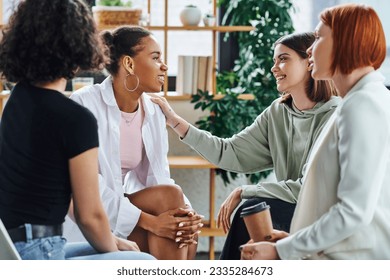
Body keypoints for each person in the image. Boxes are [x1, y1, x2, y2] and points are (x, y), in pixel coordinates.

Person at [151, 32, 340, 259]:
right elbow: (230, 152)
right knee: (252, 210)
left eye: (283, 59)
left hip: (324, 216)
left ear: (309, 61)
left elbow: (309, 188)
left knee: (251, 206)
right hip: (291, 209)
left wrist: (245, 191)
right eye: (274, 60)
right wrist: (174, 121)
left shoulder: (335, 116)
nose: (274, 68)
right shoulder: (277, 112)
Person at [0, 0, 153, 260]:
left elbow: (65, 195)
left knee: (120, 250)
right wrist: (114, 247)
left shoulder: (17, 99)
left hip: (11, 248)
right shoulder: (76, 119)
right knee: (143, 262)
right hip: (39, 252)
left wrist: (113, 241)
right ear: (77, 46)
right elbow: (89, 215)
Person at [241, 3, 390, 260]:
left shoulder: (363, 106)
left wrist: (282, 251)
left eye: (319, 37)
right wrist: (297, 242)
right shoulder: (359, 101)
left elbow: (354, 211)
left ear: (345, 43)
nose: (310, 48)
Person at [63, 26, 203, 260]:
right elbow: (87, 190)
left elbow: (160, 181)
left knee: (184, 226)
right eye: (156, 58)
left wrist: (187, 214)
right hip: (89, 220)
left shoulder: (153, 111)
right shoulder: (84, 103)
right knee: (174, 217)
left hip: (121, 212)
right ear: (129, 64)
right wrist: (151, 222)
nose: (165, 66)